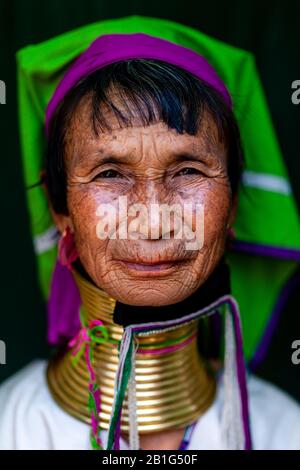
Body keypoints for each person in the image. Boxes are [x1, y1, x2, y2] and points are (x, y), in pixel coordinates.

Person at [0, 16, 300, 451]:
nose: (154, 220)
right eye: (110, 174)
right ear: (59, 207)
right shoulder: (11, 429)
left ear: (233, 203)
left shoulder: (285, 432)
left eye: (189, 171)